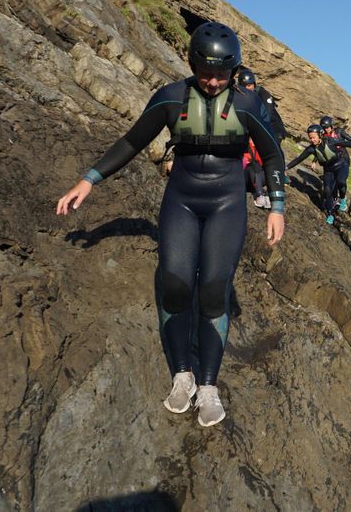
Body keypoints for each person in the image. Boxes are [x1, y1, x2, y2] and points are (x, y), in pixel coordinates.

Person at [56, 22, 286, 427]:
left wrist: (277, 207)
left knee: (213, 291)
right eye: (205, 73)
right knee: (176, 284)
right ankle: (183, 375)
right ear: (192, 64)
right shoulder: (170, 97)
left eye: (222, 75)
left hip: (227, 205)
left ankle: (209, 386)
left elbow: (272, 155)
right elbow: (132, 141)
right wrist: (89, 180)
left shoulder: (248, 104)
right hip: (181, 201)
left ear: (234, 71)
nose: (213, 82)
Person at [285, 123, 351, 224]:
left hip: (341, 165)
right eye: (310, 138)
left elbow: (346, 143)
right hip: (328, 170)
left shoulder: (330, 141)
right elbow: (298, 159)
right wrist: (285, 168)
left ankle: (343, 199)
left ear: (320, 135)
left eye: (313, 137)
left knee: (341, 181)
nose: (312, 140)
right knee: (327, 191)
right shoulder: (311, 149)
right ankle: (330, 214)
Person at [319, 116, 351, 212]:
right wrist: (314, 161)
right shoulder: (323, 137)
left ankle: (342, 199)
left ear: (331, 125)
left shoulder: (339, 131)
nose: (326, 129)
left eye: (328, 127)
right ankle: (334, 201)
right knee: (331, 185)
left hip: (343, 159)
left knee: (340, 181)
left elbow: (350, 140)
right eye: (324, 128)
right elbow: (320, 150)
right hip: (331, 162)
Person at [237, 68, 287, 140]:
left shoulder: (262, 94)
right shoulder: (240, 96)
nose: (246, 88)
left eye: (249, 85)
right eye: (243, 86)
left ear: (254, 84)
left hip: (274, 130)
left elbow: (268, 115)